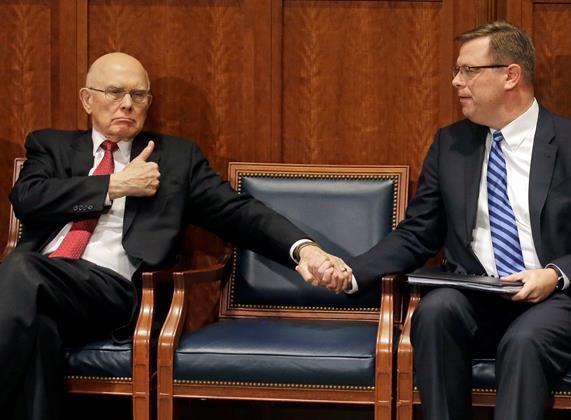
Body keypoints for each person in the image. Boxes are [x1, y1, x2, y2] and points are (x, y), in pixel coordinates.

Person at [0, 52, 351, 420]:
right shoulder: (51, 146)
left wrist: (304, 250)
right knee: (38, 331)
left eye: (138, 95)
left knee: (20, 269)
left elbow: (238, 213)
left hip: (114, 292)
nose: (127, 103)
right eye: (115, 92)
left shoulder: (176, 158)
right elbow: (27, 199)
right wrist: (113, 186)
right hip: (41, 289)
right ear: (87, 99)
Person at [345, 21, 571, 419]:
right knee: (435, 312)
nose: (456, 81)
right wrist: (354, 271)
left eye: (468, 70)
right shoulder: (451, 144)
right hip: (477, 295)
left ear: (510, 76)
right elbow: (417, 233)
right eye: (457, 70)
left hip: (560, 300)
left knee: (525, 340)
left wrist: (554, 275)